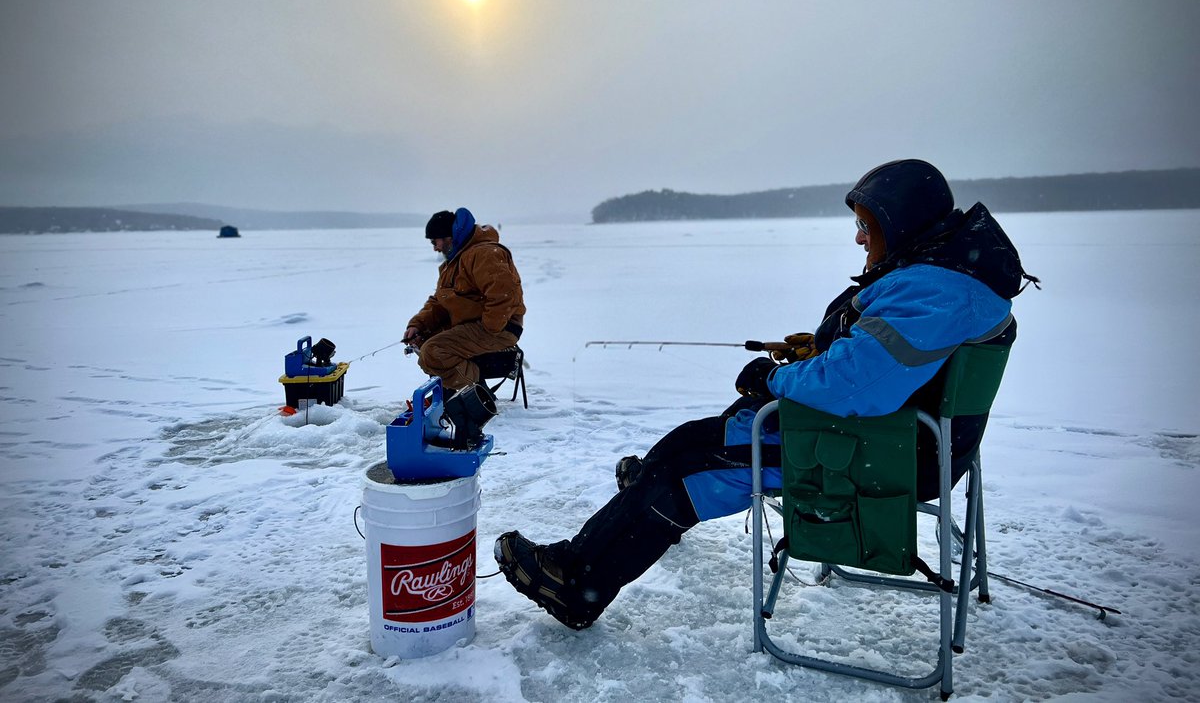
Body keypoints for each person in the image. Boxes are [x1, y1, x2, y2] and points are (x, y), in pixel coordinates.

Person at [494, 159, 1036, 630]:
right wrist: (820, 347)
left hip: (876, 456)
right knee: (689, 444)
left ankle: (579, 582)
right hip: (887, 438)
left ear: (904, 224)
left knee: (687, 463)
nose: (859, 238)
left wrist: (772, 379)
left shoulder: (937, 290)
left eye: (868, 226)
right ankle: (644, 502)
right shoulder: (949, 275)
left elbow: (851, 385)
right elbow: (879, 361)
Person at [404, 207, 525, 392]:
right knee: (424, 340)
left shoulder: (484, 253)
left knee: (433, 351)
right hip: (474, 324)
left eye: (434, 242)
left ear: (449, 237)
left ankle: (473, 392)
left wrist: (489, 329)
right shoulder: (452, 263)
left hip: (500, 328)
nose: (435, 248)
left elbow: (504, 295)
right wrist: (418, 325)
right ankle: (453, 391)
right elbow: (439, 301)